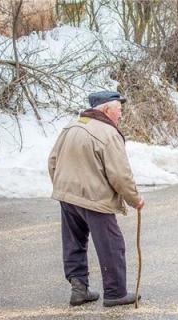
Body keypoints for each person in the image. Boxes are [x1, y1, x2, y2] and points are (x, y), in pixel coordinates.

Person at [48, 91, 145, 307]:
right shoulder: (108, 133)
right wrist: (135, 199)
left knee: (74, 243)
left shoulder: (71, 128)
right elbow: (120, 175)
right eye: (119, 110)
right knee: (112, 245)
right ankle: (115, 293)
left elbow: (52, 161)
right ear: (106, 109)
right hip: (95, 199)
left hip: (67, 195)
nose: (120, 115)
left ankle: (79, 289)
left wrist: (62, 186)